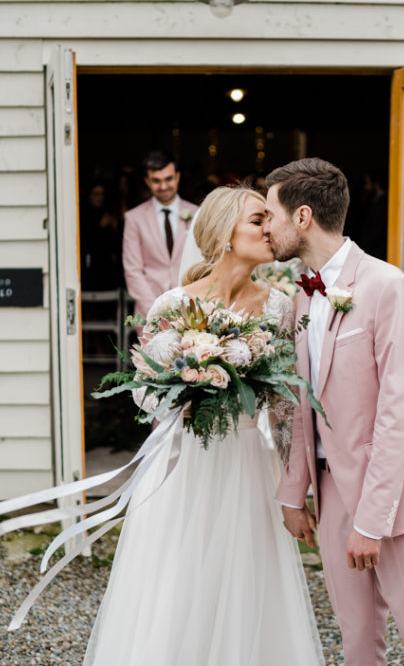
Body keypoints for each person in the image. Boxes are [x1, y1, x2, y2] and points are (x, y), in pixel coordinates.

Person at [83, 185, 325, 665]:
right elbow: (143, 391)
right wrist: (188, 394)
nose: (269, 228)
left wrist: (294, 492)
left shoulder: (279, 307)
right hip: (184, 468)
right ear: (224, 233)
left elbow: (283, 409)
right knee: (177, 590)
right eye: (258, 220)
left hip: (246, 470)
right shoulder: (172, 305)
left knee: (245, 592)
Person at [263, 157, 404, 666]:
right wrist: (293, 493)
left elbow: (400, 412)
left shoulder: (386, 285)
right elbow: (296, 405)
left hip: (399, 499)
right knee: (357, 645)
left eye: (271, 214)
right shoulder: (300, 297)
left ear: (302, 216)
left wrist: (372, 523)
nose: (267, 227)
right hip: (332, 496)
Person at [122, 151, 199, 321]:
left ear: (178, 177)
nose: (163, 186)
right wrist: (156, 311)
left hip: (191, 311)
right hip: (149, 312)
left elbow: (203, 263)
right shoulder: (134, 218)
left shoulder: (197, 214)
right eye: (156, 181)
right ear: (147, 182)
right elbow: (133, 271)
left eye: (168, 179)